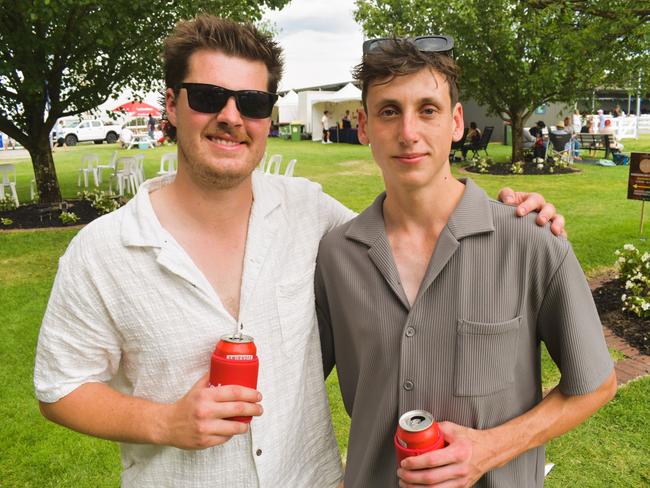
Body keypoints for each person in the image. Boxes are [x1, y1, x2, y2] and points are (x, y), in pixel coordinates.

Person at [34, 16, 563, 487]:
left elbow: (408, 235)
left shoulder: (311, 215)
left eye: (253, 102)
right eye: (207, 97)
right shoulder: (101, 253)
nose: (231, 117)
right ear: (171, 105)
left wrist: (510, 215)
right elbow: (60, 388)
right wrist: (163, 423)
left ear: (268, 115)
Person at [315, 36, 616, 488]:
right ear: (364, 126)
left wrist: (492, 448)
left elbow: (595, 383)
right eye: (389, 111)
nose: (408, 132)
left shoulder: (531, 242)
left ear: (456, 122)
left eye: (428, 110)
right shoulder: (336, 255)